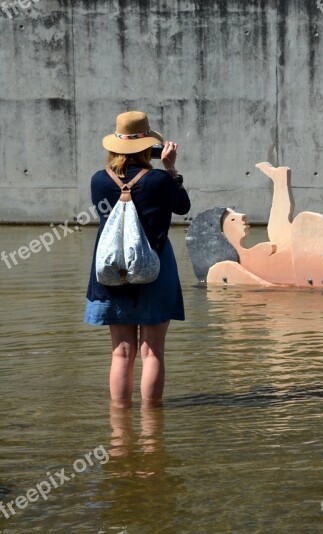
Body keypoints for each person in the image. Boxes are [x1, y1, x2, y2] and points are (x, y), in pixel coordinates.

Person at [85, 111, 190, 407]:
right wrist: (171, 170)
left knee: (121, 351)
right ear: (148, 147)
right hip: (155, 268)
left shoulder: (98, 181)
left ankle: (119, 428)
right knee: (152, 350)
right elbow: (182, 206)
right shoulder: (159, 180)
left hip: (112, 270)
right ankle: (152, 427)